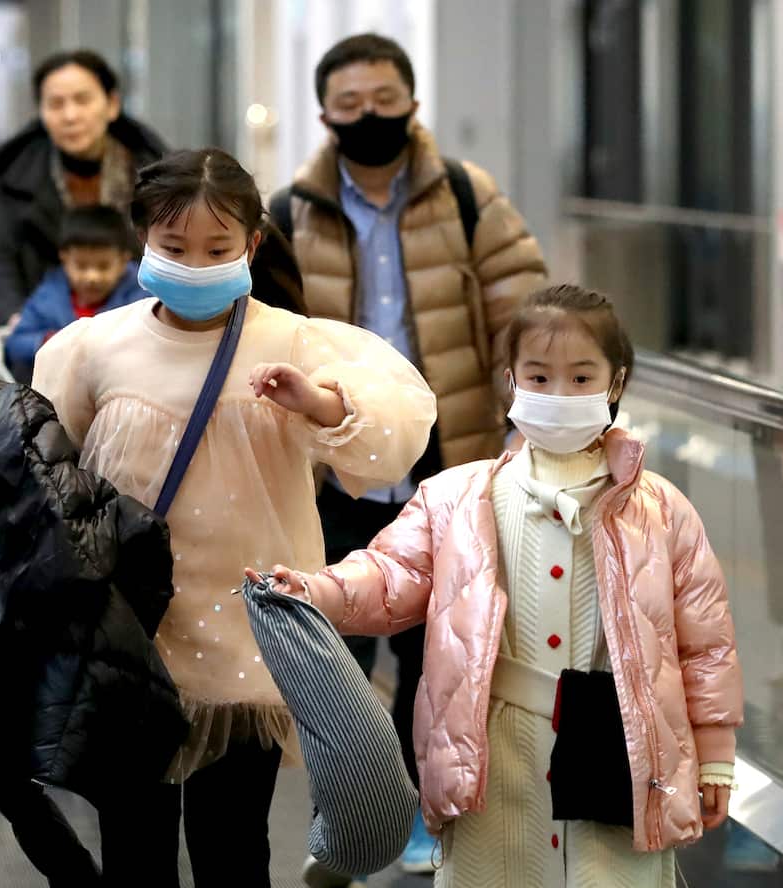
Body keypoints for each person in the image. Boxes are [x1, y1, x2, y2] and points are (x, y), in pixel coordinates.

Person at [31, 148, 436, 887]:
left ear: (251, 245)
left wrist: (319, 404)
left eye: (216, 249)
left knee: (233, 843)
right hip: (132, 636)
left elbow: (393, 438)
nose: (194, 264)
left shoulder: (294, 343)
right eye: (174, 247)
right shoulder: (93, 347)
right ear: (142, 241)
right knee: (133, 843)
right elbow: (49, 468)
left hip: (252, 636)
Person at [256, 285, 743, 888]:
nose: (558, 394)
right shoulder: (457, 496)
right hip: (492, 746)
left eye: (580, 377)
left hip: (620, 747)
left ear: (615, 384)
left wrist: (715, 758)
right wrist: (316, 591)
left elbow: (706, 642)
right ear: (511, 381)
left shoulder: (661, 510)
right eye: (538, 377)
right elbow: (391, 577)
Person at [268, 33, 549, 874]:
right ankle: (344, 820)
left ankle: (426, 814)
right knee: (331, 660)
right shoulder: (289, 213)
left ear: (414, 100)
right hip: (334, 469)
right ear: (323, 114)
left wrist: (524, 428)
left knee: (441, 657)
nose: (369, 117)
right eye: (349, 105)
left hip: (450, 467)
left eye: (384, 99)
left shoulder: (467, 195)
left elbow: (522, 314)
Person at [0, 50, 166, 352]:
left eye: (83, 100)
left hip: (141, 338)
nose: (70, 115)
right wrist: (10, 316)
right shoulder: (16, 180)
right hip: (44, 337)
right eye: (55, 104)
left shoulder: (158, 179)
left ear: (112, 104)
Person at [4, 205, 145, 379]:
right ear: (64, 258)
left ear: (124, 261)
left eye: (103, 266)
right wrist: (48, 342)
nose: (92, 277)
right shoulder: (49, 296)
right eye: (81, 266)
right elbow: (15, 344)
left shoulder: (140, 298)